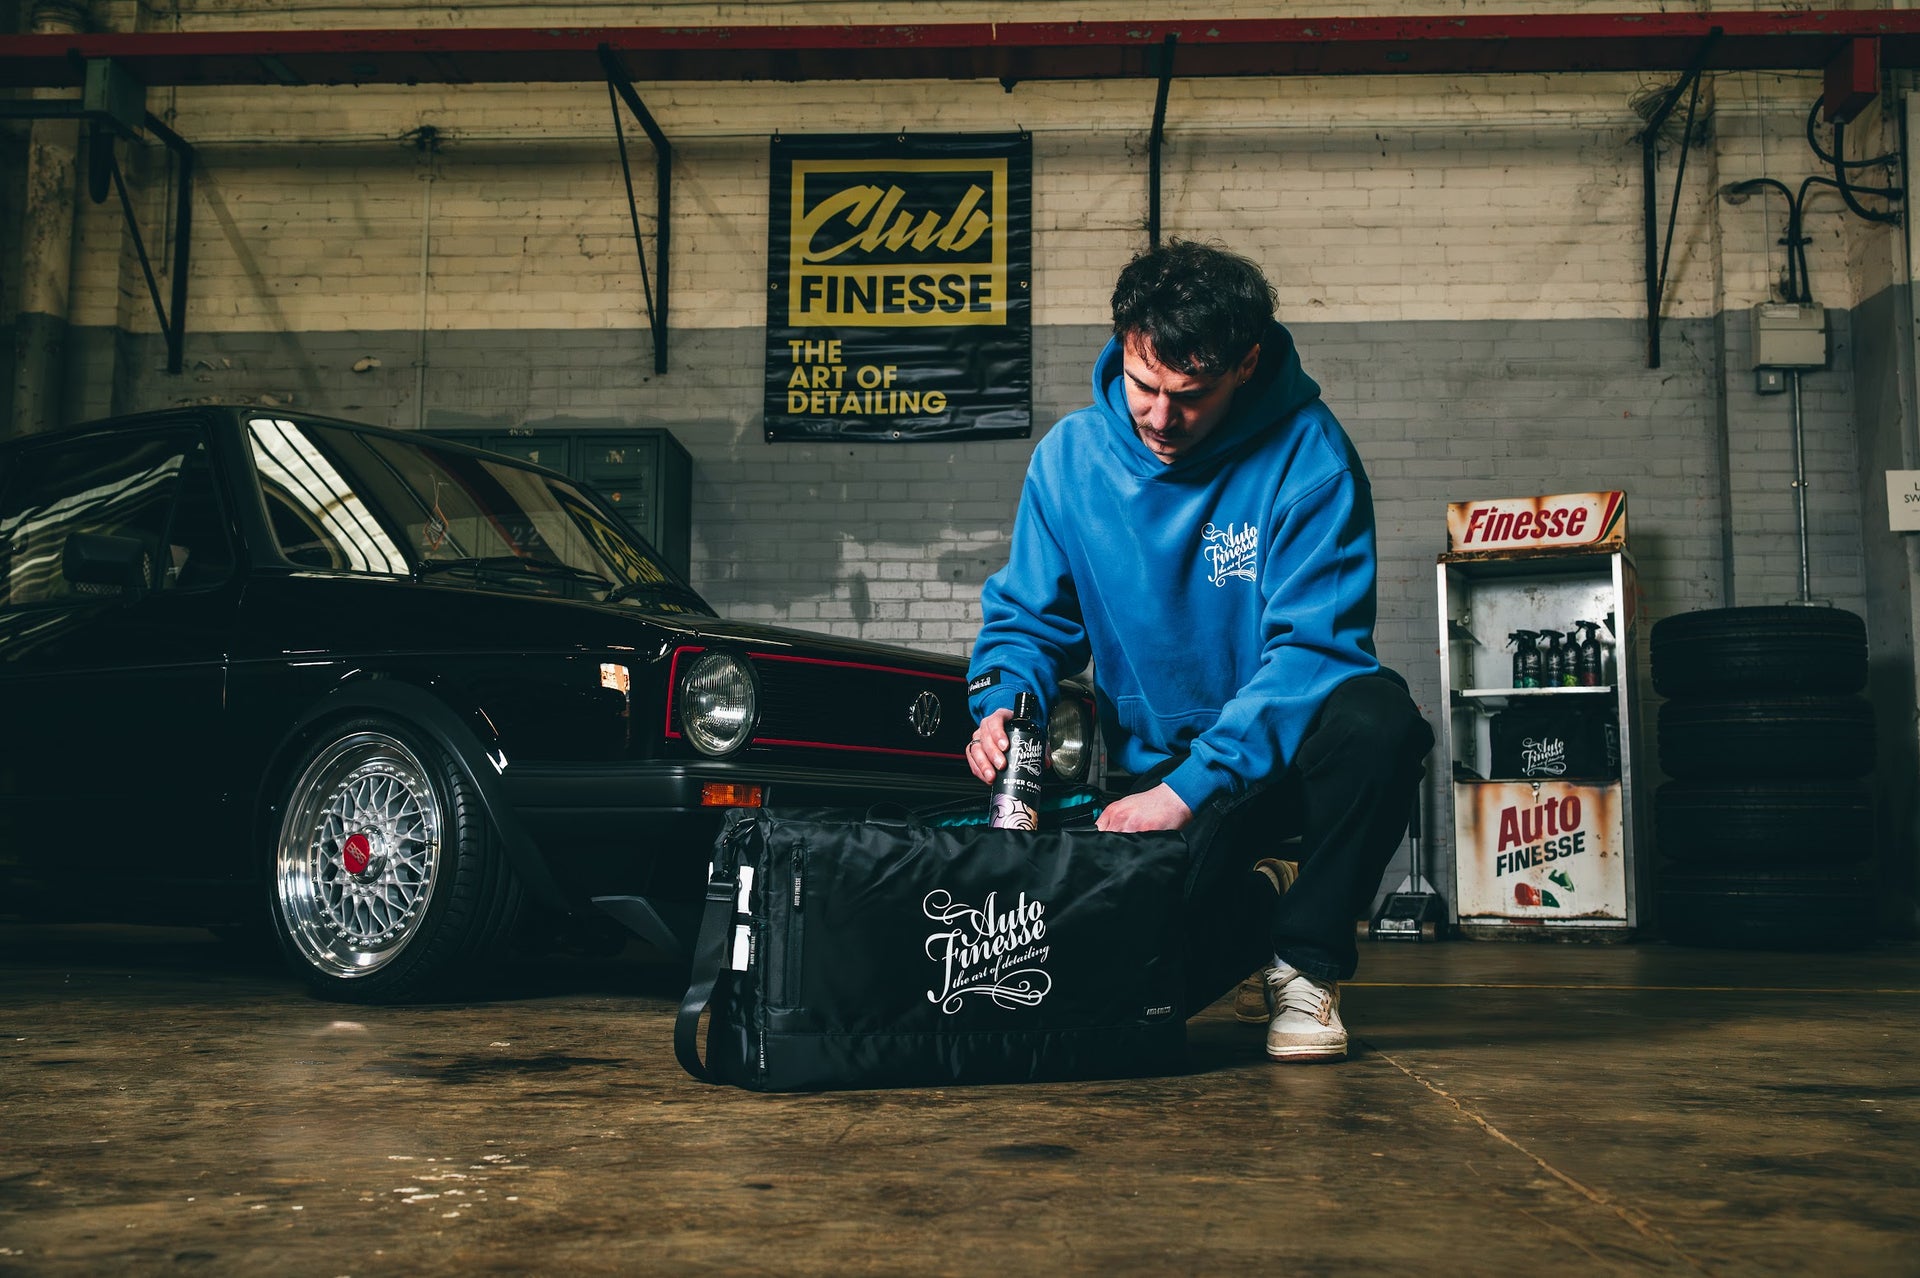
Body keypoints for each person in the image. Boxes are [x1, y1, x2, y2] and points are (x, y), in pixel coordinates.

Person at [964, 239, 1432, 1063]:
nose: (1160, 417)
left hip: (1274, 762)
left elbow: (1313, 652)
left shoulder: (1310, 458)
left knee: (1380, 720)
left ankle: (1307, 963)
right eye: (1144, 386)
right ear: (1123, 342)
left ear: (1246, 365)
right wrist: (1004, 698)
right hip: (1160, 773)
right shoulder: (1068, 462)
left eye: (1191, 396)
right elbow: (1029, 622)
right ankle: (1262, 908)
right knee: (1120, 1002)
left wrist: (1192, 788)